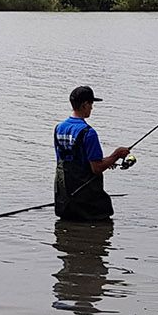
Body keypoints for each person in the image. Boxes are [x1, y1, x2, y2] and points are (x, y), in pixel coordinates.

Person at [54, 86, 131, 222]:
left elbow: (69, 158)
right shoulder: (88, 133)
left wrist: (107, 161)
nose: (92, 108)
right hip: (86, 202)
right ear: (85, 105)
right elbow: (96, 168)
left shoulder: (59, 128)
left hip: (65, 198)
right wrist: (117, 155)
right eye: (91, 104)